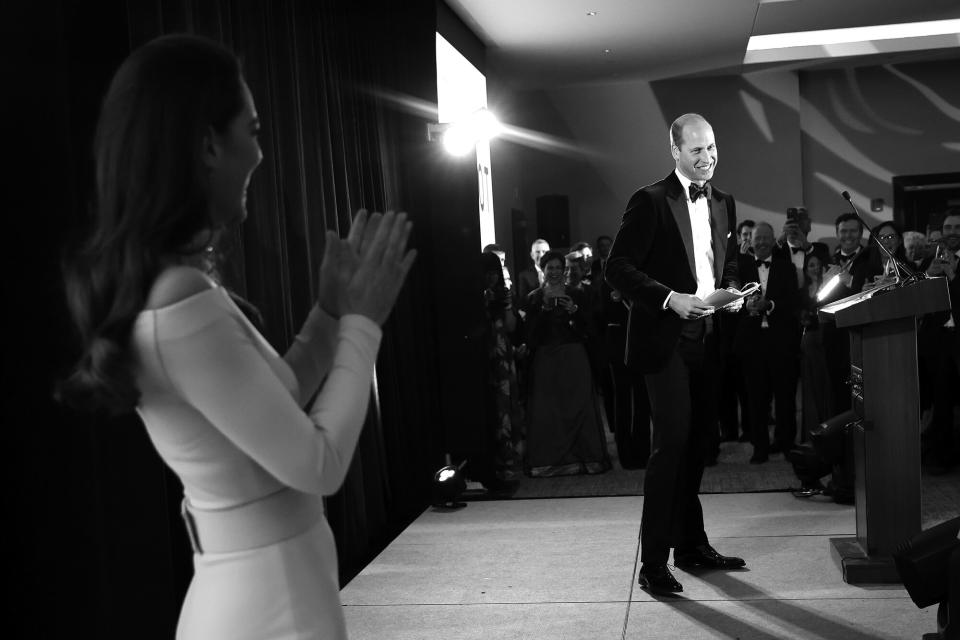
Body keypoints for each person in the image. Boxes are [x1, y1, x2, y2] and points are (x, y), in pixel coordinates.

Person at [56, 35, 415, 639]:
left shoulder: (179, 287)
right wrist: (362, 323)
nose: (260, 153)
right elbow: (318, 464)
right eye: (251, 129)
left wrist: (329, 314)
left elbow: (282, 404)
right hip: (270, 606)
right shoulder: (181, 303)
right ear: (206, 146)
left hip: (267, 591)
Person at [606, 113, 746, 595]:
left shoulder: (724, 201)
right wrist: (669, 297)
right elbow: (617, 268)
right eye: (696, 151)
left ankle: (691, 546)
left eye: (712, 148)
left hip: (708, 339)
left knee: (698, 445)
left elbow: (716, 269)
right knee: (670, 446)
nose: (706, 158)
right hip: (664, 339)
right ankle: (653, 562)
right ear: (675, 153)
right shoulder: (648, 201)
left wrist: (733, 292)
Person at [522, 250, 610, 477]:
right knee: (548, 409)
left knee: (578, 405)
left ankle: (585, 459)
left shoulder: (577, 294)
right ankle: (548, 462)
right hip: (546, 359)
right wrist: (544, 311)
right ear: (543, 270)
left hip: (574, 356)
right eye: (549, 268)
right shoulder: (533, 298)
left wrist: (575, 311)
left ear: (564, 270)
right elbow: (530, 337)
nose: (554, 272)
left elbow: (590, 330)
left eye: (558, 268)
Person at [733, 222, 800, 463]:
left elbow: (793, 301)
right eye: (756, 238)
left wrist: (768, 305)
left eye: (765, 238)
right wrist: (746, 307)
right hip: (752, 344)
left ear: (773, 241)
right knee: (756, 399)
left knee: (785, 397)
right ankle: (759, 447)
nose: (761, 242)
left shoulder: (787, 268)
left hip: (781, 342)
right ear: (750, 242)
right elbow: (730, 304)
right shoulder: (739, 269)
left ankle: (786, 443)